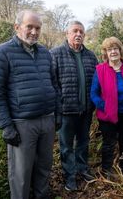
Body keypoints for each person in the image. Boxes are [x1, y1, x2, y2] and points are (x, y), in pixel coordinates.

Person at [0, 10, 57, 199]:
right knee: (21, 175)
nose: (34, 32)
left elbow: (53, 83)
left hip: (47, 120)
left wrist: (55, 112)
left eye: (38, 28)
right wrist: (6, 126)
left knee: (44, 168)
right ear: (17, 27)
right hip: (22, 123)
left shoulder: (44, 53)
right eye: (30, 27)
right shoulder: (2, 53)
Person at [50, 21, 97, 191]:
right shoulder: (55, 54)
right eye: (74, 31)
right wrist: (58, 107)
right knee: (66, 146)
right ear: (67, 34)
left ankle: (82, 169)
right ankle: (69, 176)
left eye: (81, 32)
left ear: (84, 35)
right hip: (66, 110)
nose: (78, 34)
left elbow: (96, 84)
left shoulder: (91, 56)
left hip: (86, 110)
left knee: (84, 142)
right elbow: (52, 84)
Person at [90, 37, 123, 182]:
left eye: (115, 48)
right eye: (109, 49)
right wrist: (104, 106)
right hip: (107, 116)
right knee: (108, 143)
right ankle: (107, 170)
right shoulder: (100, 70)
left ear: (120, 50)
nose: (113, 52)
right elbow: (93, 94)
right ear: (105, 53)